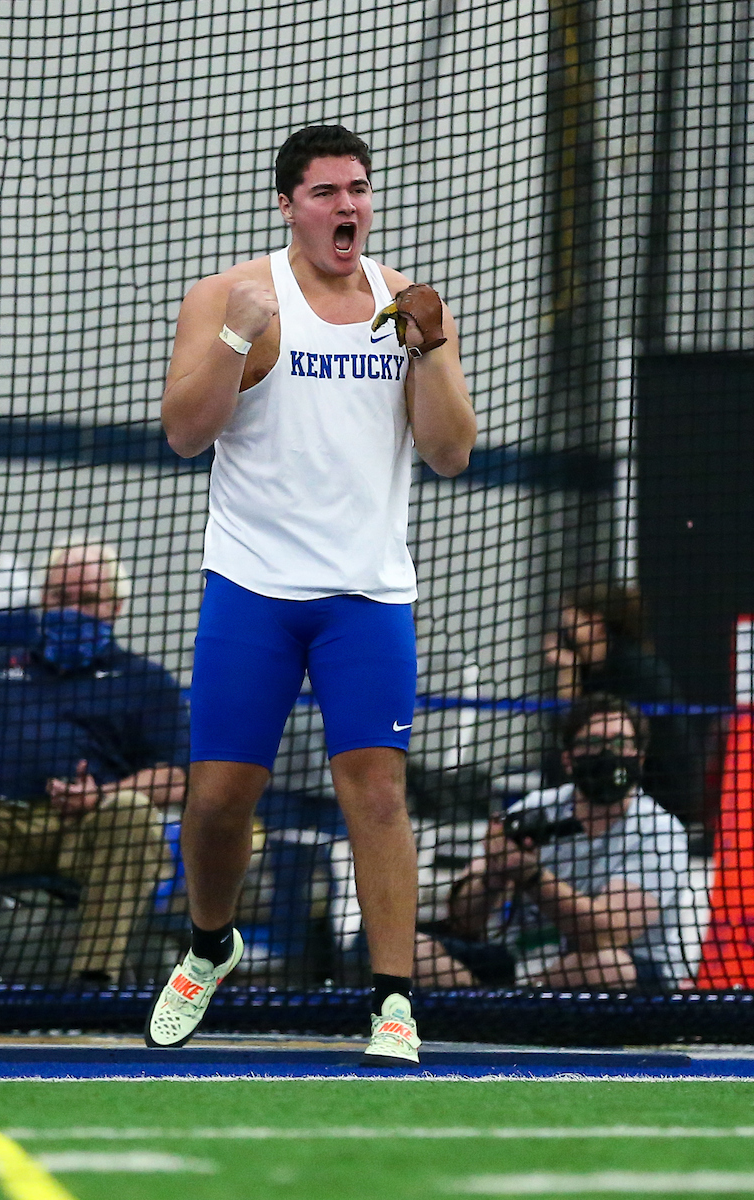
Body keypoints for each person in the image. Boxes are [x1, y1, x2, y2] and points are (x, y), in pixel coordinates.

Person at [145, 124, 476, 1064]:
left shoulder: (407, 303)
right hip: (252, 585)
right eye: (327, 192)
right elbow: (183, 432)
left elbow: (452, 453)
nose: (348, 208)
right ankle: (212, 946)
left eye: (358, 190)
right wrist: (235, 338)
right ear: (287, 203)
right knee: (217, 799)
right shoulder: (232, 294)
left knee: (375, 792)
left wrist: (433, 348)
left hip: (366, 595)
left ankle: (393, 1004)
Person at [0, 541, 190, 985]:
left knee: (135, 813)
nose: (71, 610)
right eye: (60, 598)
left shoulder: (146, 681)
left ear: (115, 607)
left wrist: (102, 794)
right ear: (43, 600)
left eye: (86, 600)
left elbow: (175, 780)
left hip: (90, 830)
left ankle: (92, 983)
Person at [414, 694, 691, 992]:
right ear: (568, 761)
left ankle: (502, 1011)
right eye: (593, 743)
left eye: (619, 743)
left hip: (632, 976)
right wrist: (495, 872)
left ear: (639, 757)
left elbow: (606, 933)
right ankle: (501, 1010)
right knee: (407, 949)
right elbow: (463, 921)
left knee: (607, 966)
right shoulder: (535, 809)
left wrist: (530, 876)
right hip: (524, 964)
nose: (607, 754)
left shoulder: (660, 829)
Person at [543, 583, 701, 827]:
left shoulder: (634, 669)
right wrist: (569, 672)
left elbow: (580, 729)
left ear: (595, 623)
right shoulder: (589, 670)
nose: (564, 628)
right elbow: (565, 734)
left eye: (571, 617)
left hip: (659, 790)